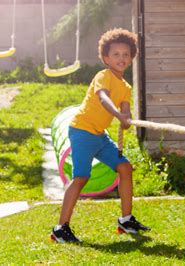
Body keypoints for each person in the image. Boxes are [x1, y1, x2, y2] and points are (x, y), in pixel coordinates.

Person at [50, 28, 150, 243]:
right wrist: (118, 115)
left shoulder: (125, 86)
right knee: (81, 177)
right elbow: (104, 98)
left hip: (99, 136)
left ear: (131, 58)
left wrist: (127, 120)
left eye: (125, 54)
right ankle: (60, 228)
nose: (121, 58)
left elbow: (125, 109)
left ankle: (126, 220)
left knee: (125, 167)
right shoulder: (103, 76)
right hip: (82, 131)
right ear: (106, 58)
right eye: (116, 54)